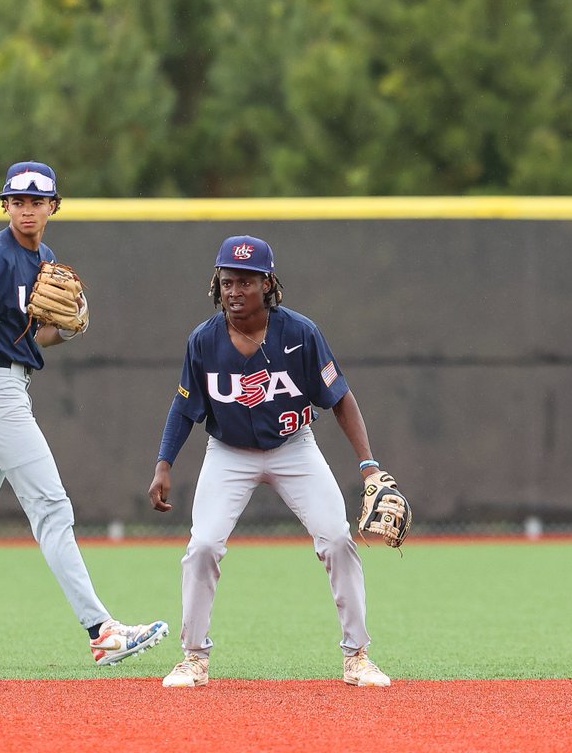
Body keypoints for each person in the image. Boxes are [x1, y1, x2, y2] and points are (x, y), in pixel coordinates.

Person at [0, 161, 167, 667]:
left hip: (8, 381)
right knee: (52, 507)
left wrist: (69, 328)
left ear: (53, 207)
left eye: (37, 202)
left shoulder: (45, 258)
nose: (27, 210)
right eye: (18, 201)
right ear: (5, 205)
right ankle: (101, 630)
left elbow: (30, 337)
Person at [148, 235, 391, 688]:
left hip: (294, 448)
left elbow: (340, 398)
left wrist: (368, 465)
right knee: (202, 547)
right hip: (228, 453)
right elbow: (184, 407)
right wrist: (165, 463)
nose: (234, 291)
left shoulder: (300, 333)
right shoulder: (203, 340)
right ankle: (193, 659)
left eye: (245, 281)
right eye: (227, 282)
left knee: (338, 539)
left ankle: (357, 655)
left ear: (268, 284)